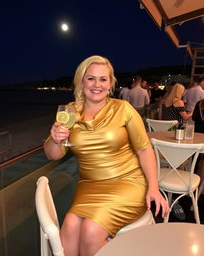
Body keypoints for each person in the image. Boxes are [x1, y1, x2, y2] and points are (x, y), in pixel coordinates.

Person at [43, 55, 169, 256]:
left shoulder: (123, 109)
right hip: (89, 185)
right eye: (91, 78)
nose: (97, 84)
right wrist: (55, 139)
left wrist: (153, 187)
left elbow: (144, 150)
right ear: (81, 81)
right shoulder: (70, 111)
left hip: (128, 182)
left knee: (91, 231)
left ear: (110, 84)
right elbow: (53, 155)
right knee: (69, 229)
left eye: (103, 79)